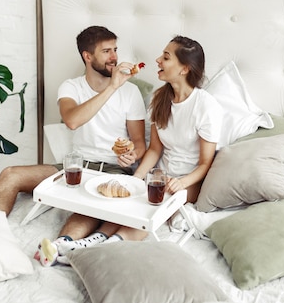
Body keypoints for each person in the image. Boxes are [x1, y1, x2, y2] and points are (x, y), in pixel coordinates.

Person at [39, 35, 223, 266]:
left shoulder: (206, 106)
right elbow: (155, 149)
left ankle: (100, 248)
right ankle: (78, 244)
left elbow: (206, 162)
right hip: (159, 174)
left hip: (191, 179)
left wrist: (182, 182)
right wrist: (136, 179)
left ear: (184, 68)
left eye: (165, 57)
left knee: (146, 212)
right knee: (124, 203)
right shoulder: (160, 99)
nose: (158, 60)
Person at [0, 25, 147, 218]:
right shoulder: (71, 87)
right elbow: (72, 121)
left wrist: (133, 155)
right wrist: (112, 87)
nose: (114, 57)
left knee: (87, 211)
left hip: (113, 170)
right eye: (106, 51)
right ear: (87, 56)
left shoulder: (130, 92)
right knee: (10, 174)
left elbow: (139, 142)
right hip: (76, 166)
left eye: (115, 50)